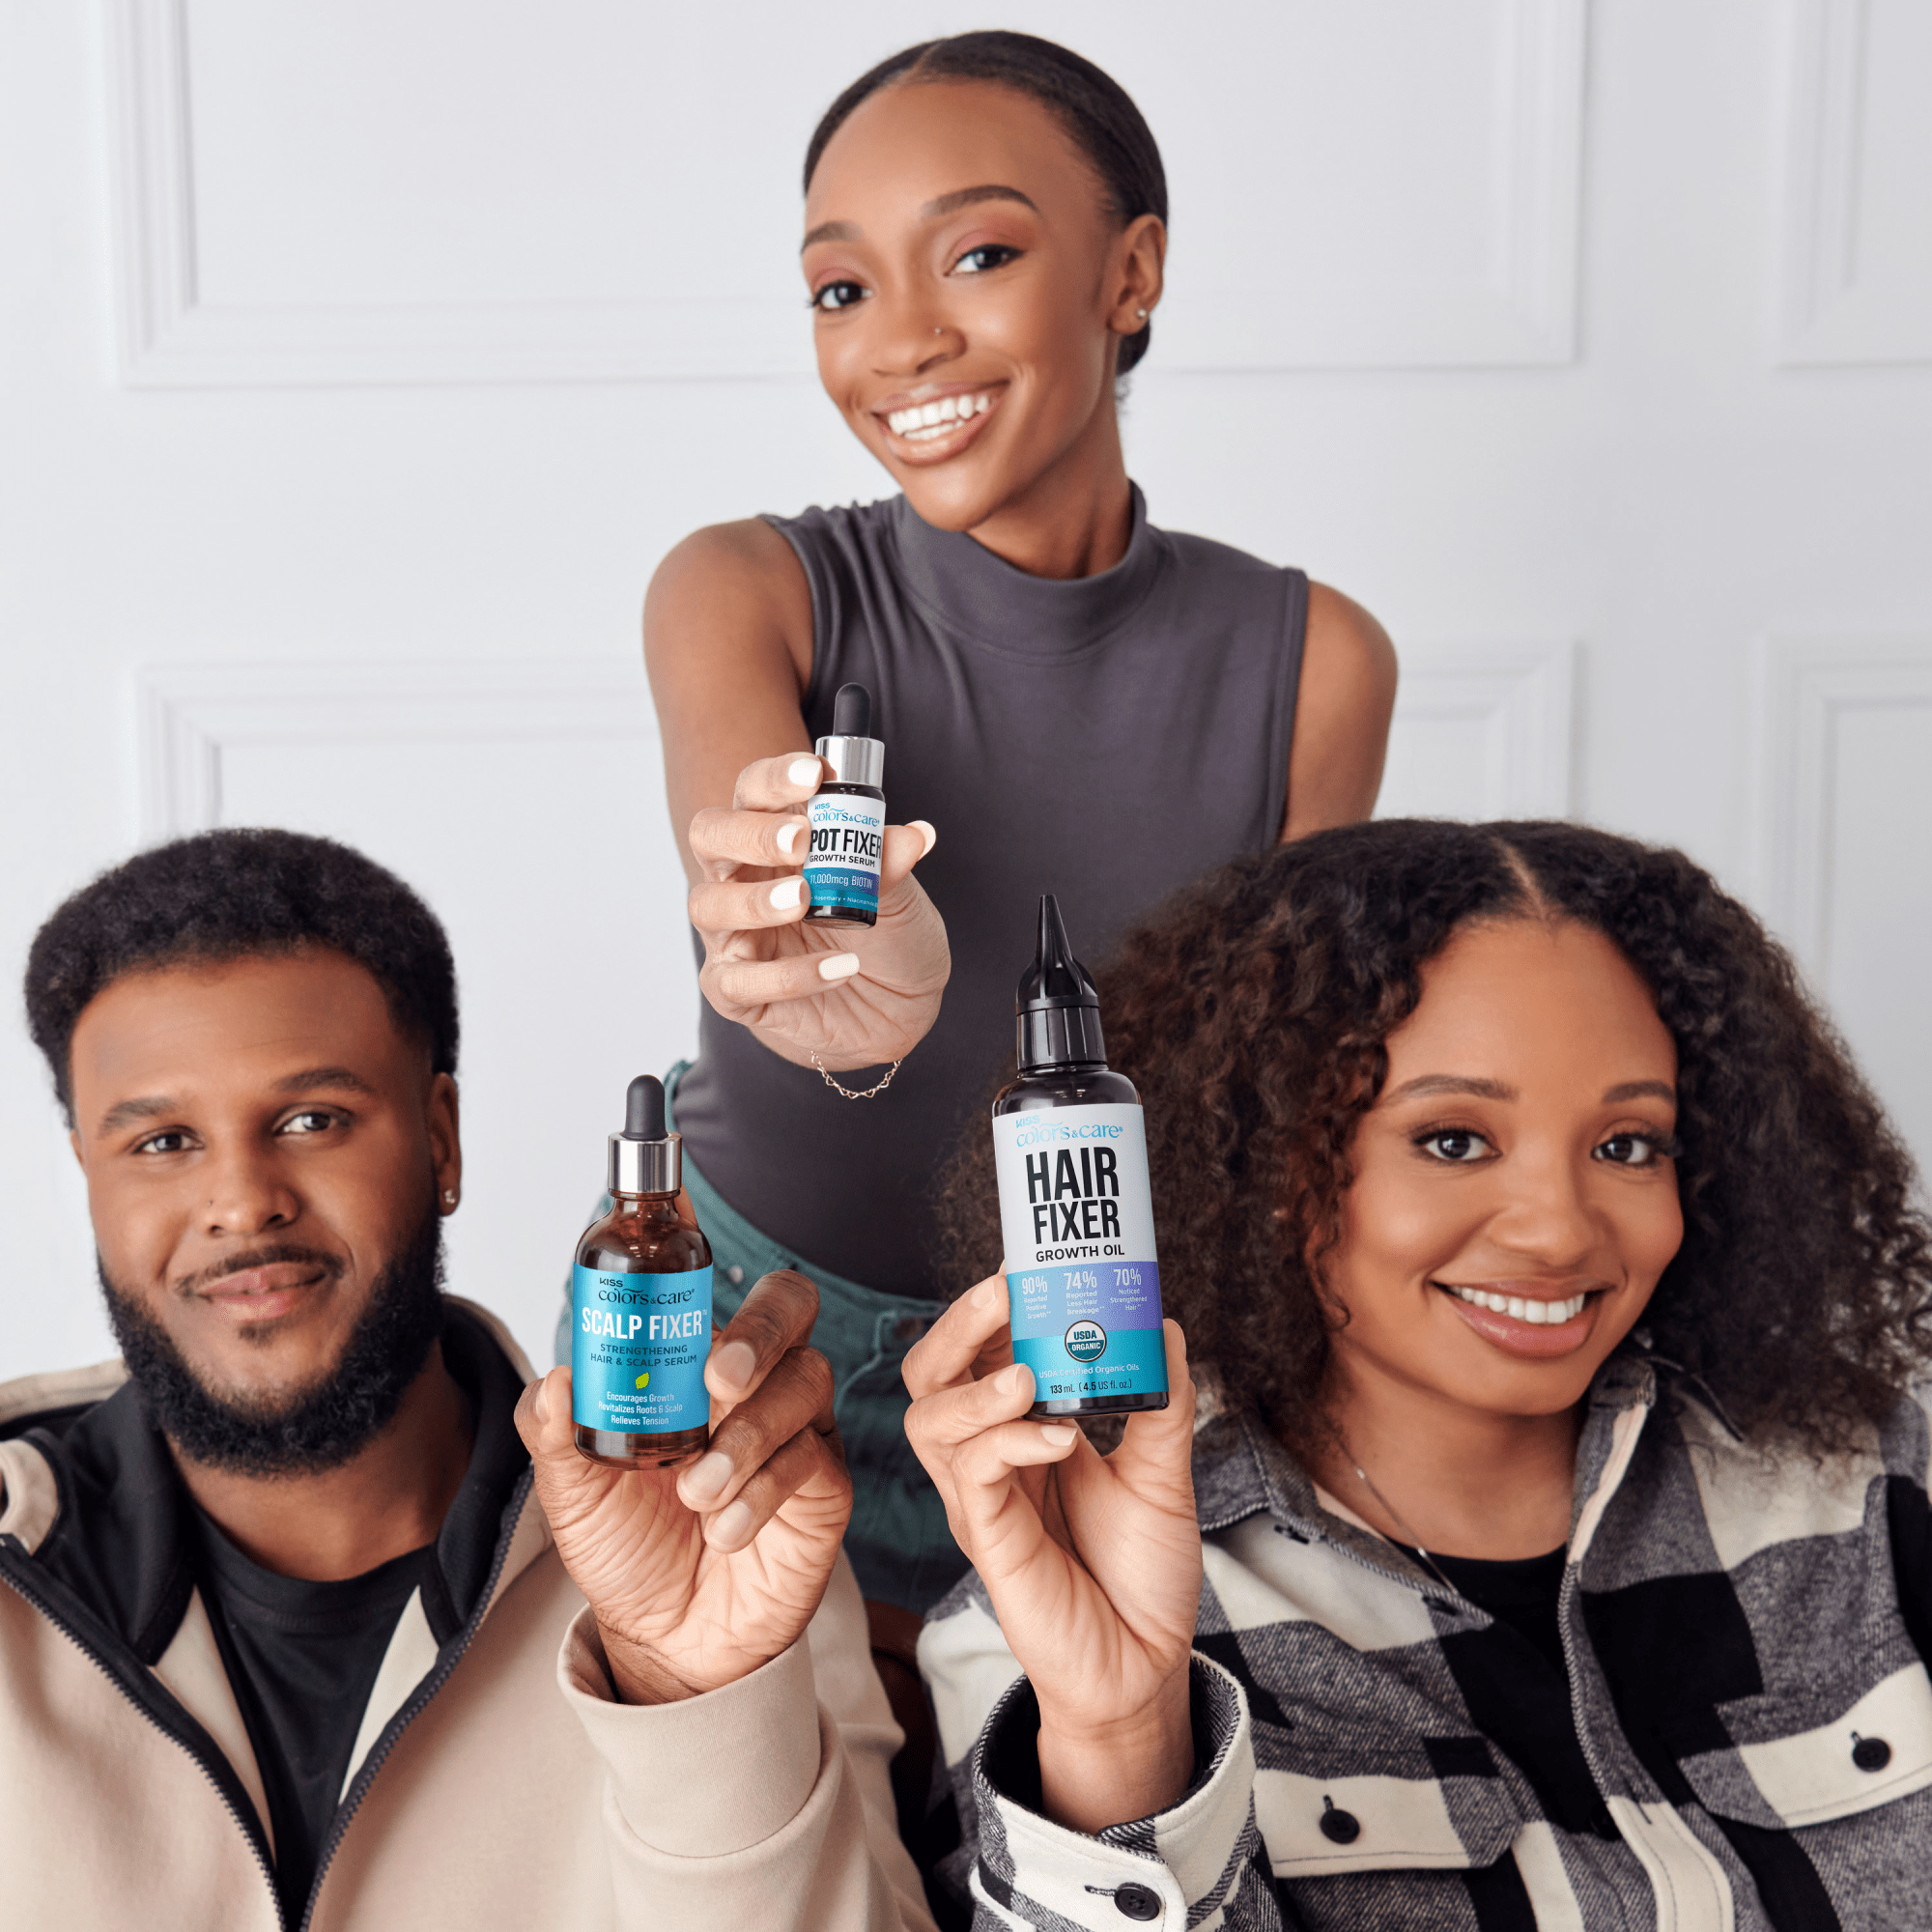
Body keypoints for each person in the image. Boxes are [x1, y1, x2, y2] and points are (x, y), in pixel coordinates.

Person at [636, 30, 1398, 1652]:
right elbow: (765, 911)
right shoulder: (746, 587)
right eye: (841, 291)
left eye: (977, 255)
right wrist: (840, 969)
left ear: (1132, 274)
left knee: (1068, 1838)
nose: (901, 344)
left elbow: (1282, 1092)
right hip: (757, 1354)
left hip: (1104, 1362)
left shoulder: (1317, 657)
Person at [906, 819, 1932, 1928]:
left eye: (1628, 1143)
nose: (1554, 1229)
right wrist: (1118, 1735)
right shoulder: (1033, 1632)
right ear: (1275, 1165)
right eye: (1452, 1138)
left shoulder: (1868, 1489)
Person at [1, 829, 932, 1931]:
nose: (243, 1200)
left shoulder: (729, 1531)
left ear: (441, 1141)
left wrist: (690, 1701)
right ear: (87, 1180)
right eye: (161, 1142)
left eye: (312, 1120)